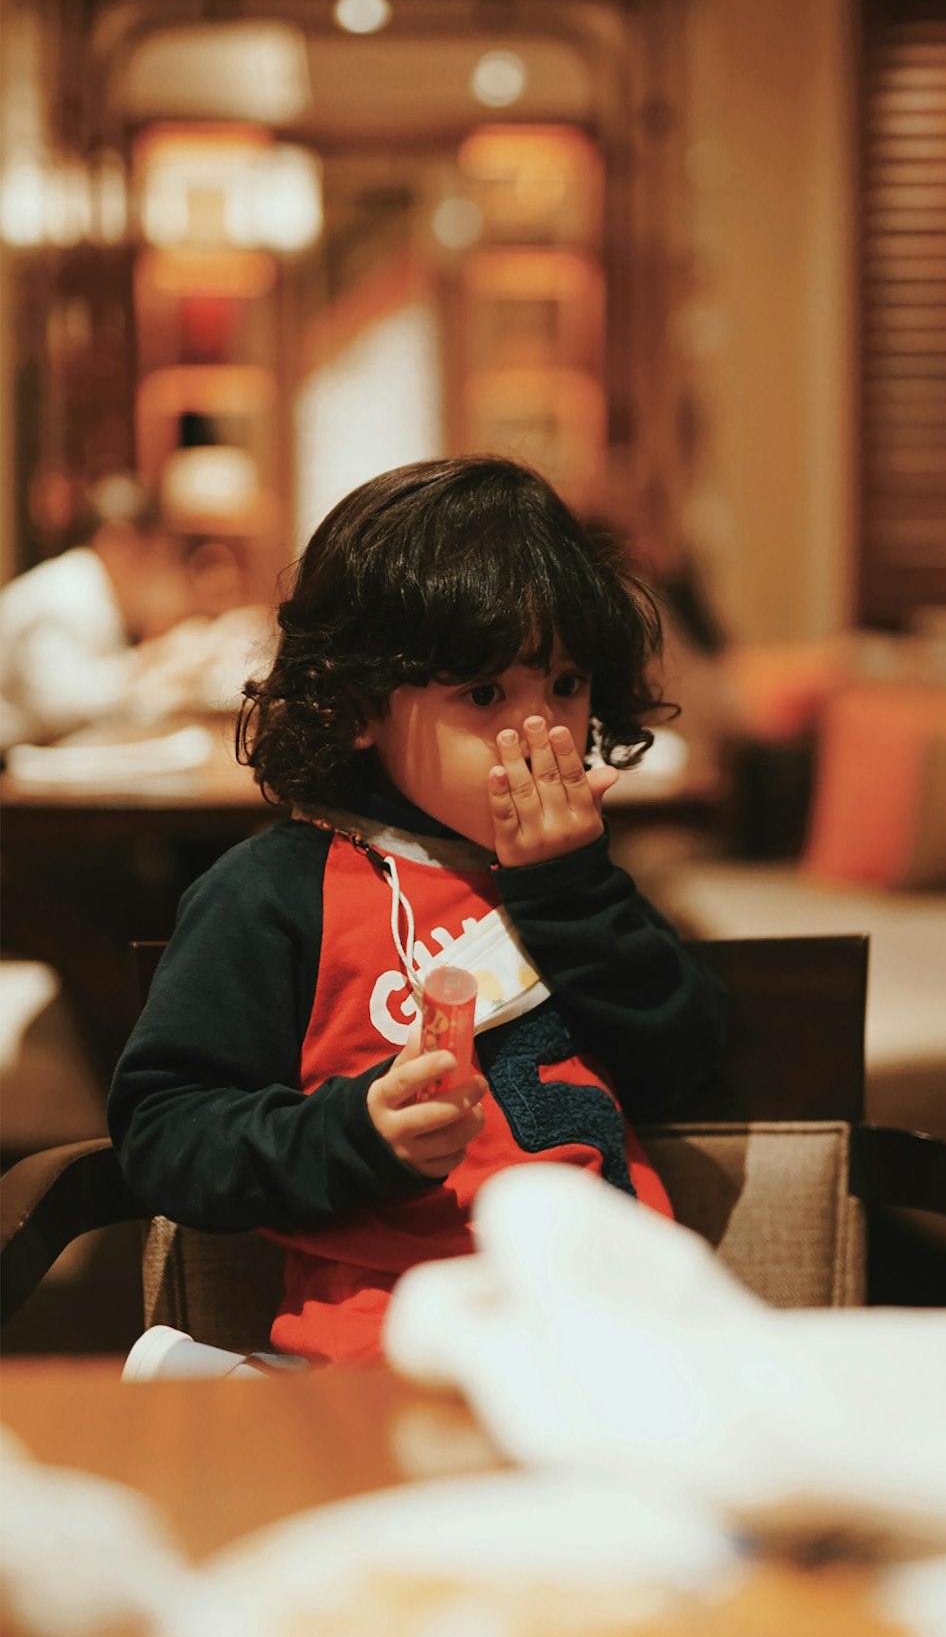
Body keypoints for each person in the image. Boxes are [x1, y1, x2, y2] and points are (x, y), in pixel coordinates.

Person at [108, 456, 726, 1366]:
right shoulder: (273, 893)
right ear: (359, 706)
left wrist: (570, 887)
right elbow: (166, 1134)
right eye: (484, 695)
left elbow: (686, 1063)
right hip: (384, 1353)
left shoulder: (580, 882)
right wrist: (351, 1134)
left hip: (617, 1334)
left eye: (564, 685)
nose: (541, 732)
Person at [0, 475, 196, 753]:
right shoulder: (65, 595)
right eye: (160, 554)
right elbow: (57, 706)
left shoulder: (90, 588)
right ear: (120, 542)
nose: (165, 570)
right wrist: (153, 662)